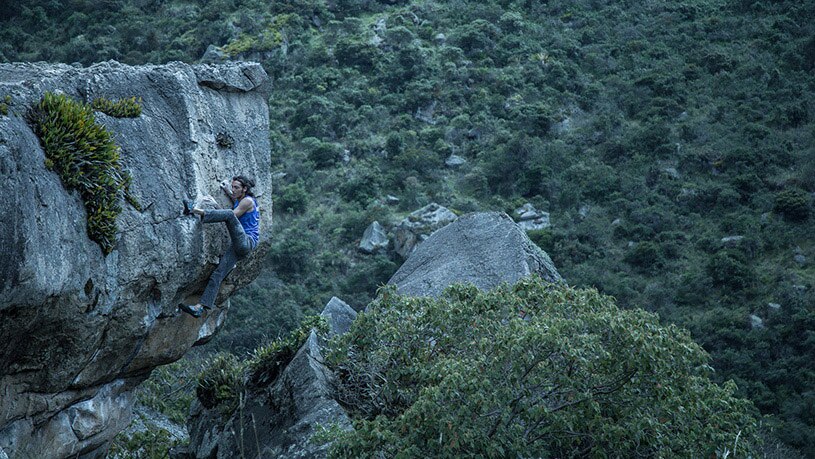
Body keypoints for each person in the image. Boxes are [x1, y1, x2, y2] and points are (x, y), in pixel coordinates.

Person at [179, 175, 260, 318]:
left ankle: (194, 210)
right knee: (218, 274)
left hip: (247, 241)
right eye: (232, 186)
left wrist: (215, 205)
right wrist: (226, 189)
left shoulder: (247, 201)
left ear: (245, 189)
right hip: (239, 246)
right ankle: (200, 308)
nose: (233, 190)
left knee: (228, 214)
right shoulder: (241, 199)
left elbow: (232, 216)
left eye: (236, 187)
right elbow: (234, 199)